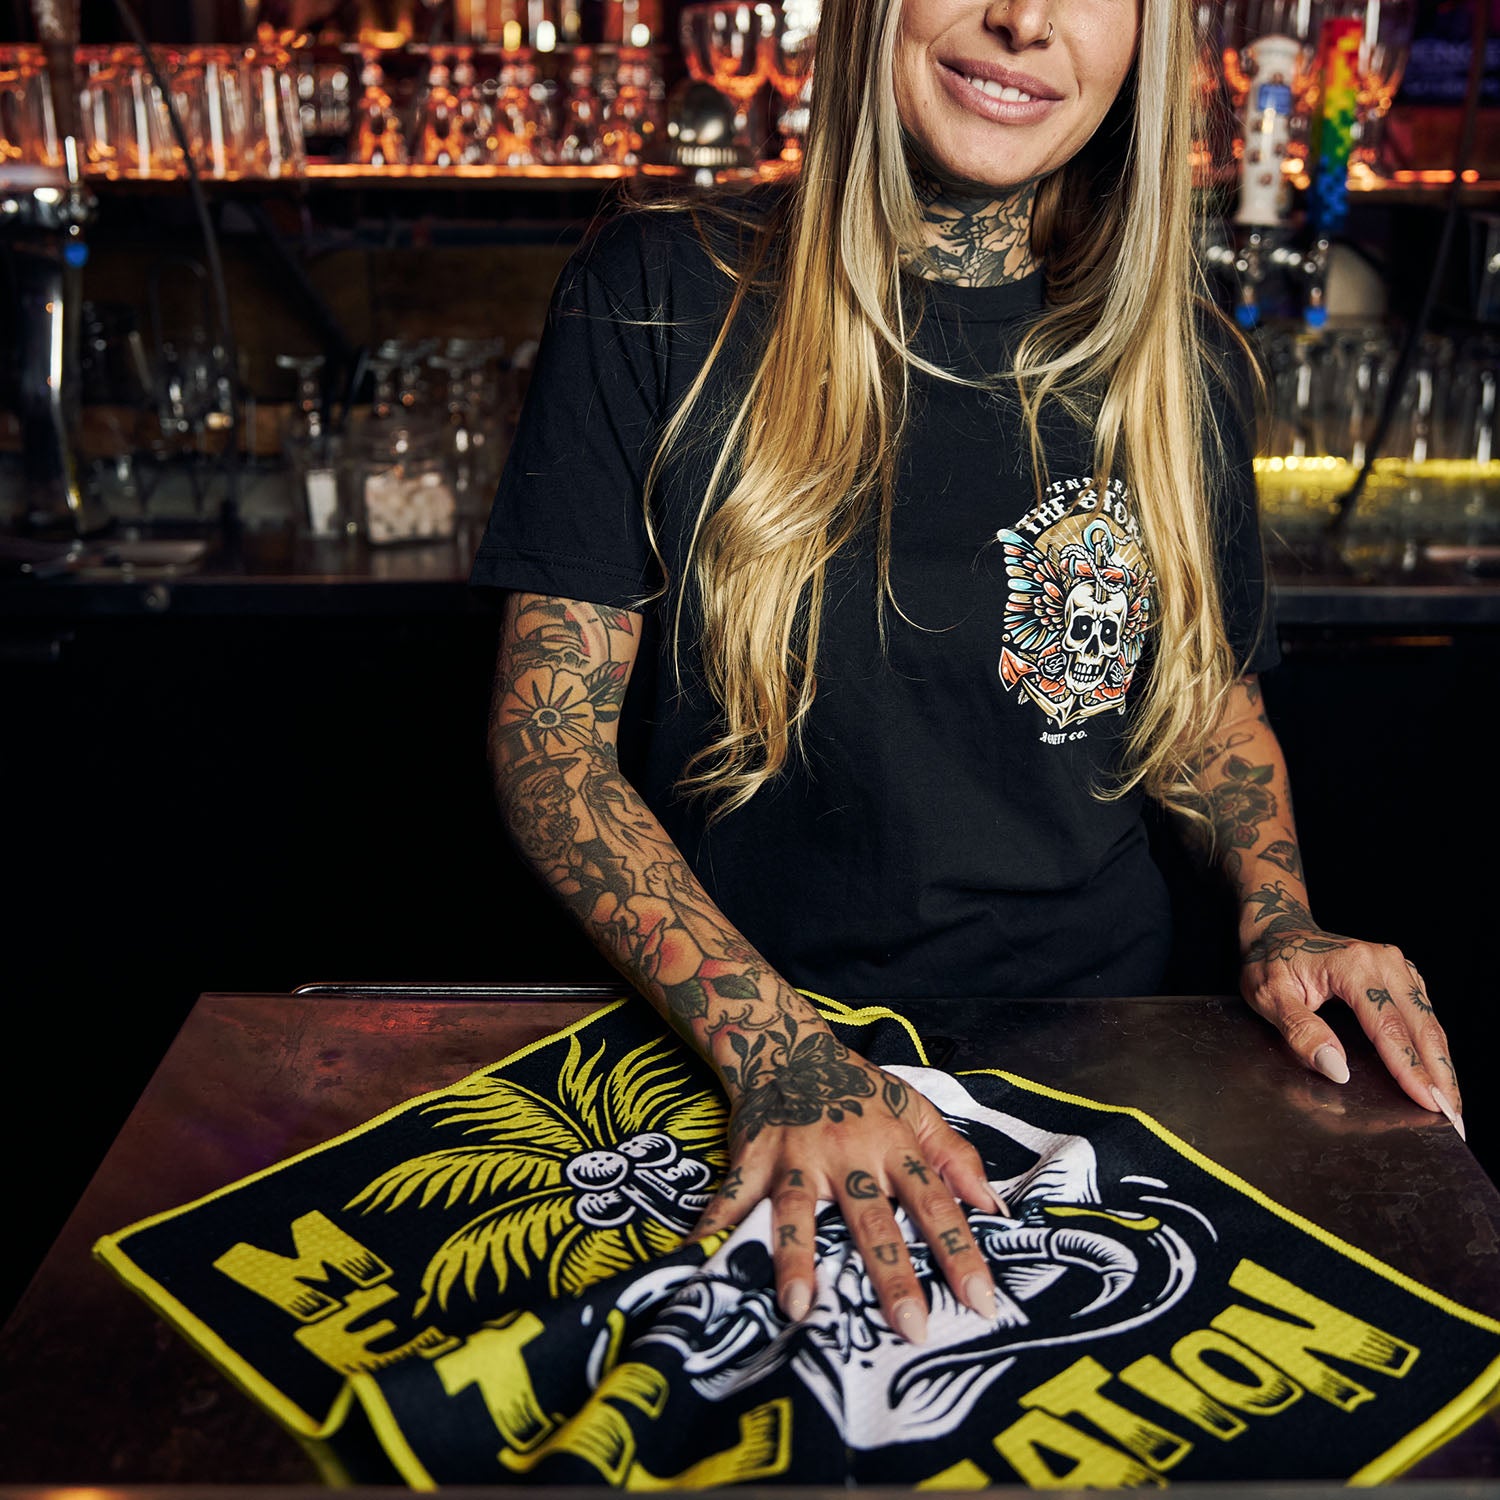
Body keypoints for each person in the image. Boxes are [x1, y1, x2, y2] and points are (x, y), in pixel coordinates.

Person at [470, 0, 1461, 1346]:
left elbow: (1209, 707)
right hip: (740, 1046)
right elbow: (551, 744)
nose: (1024, 21)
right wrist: (781, 1050)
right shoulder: (659, 290)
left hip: (1108, 1062)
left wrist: (1282, 918)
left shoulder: (1177, 359)